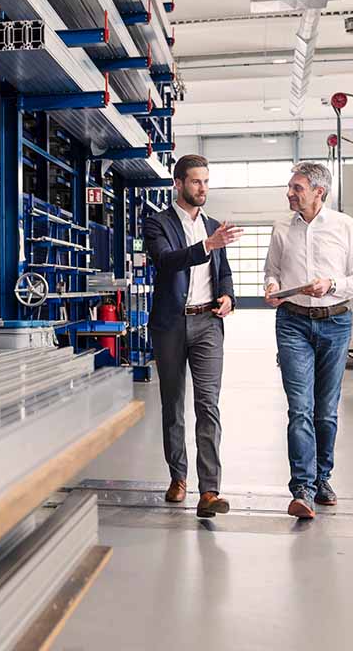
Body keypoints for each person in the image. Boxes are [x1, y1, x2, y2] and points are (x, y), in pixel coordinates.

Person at [263, 161, 353, 520]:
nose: (290, 193)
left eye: (297, 188)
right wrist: (271, 287)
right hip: (292, 322)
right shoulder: (282, 228)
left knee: (325, 410)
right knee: (299, 408)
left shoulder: (345, 227)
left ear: (318, 192)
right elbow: (273, 270)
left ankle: (323, 478)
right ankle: (302, 489)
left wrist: (332, 285)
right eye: (290, 187)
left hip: (335, 322)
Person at [143, 155, 243, 518]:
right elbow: (166, 261)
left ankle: (210, 490)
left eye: (206, 181)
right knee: (173, 405)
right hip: (170, 323)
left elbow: (225, 272)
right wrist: (206, 246)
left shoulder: (213, 226)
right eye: (196, 182)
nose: (203, 188)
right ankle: (178, 476)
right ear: (179, 183)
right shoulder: (157, 223)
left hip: (207, 324)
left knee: (208, 405)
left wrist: (229, 296)